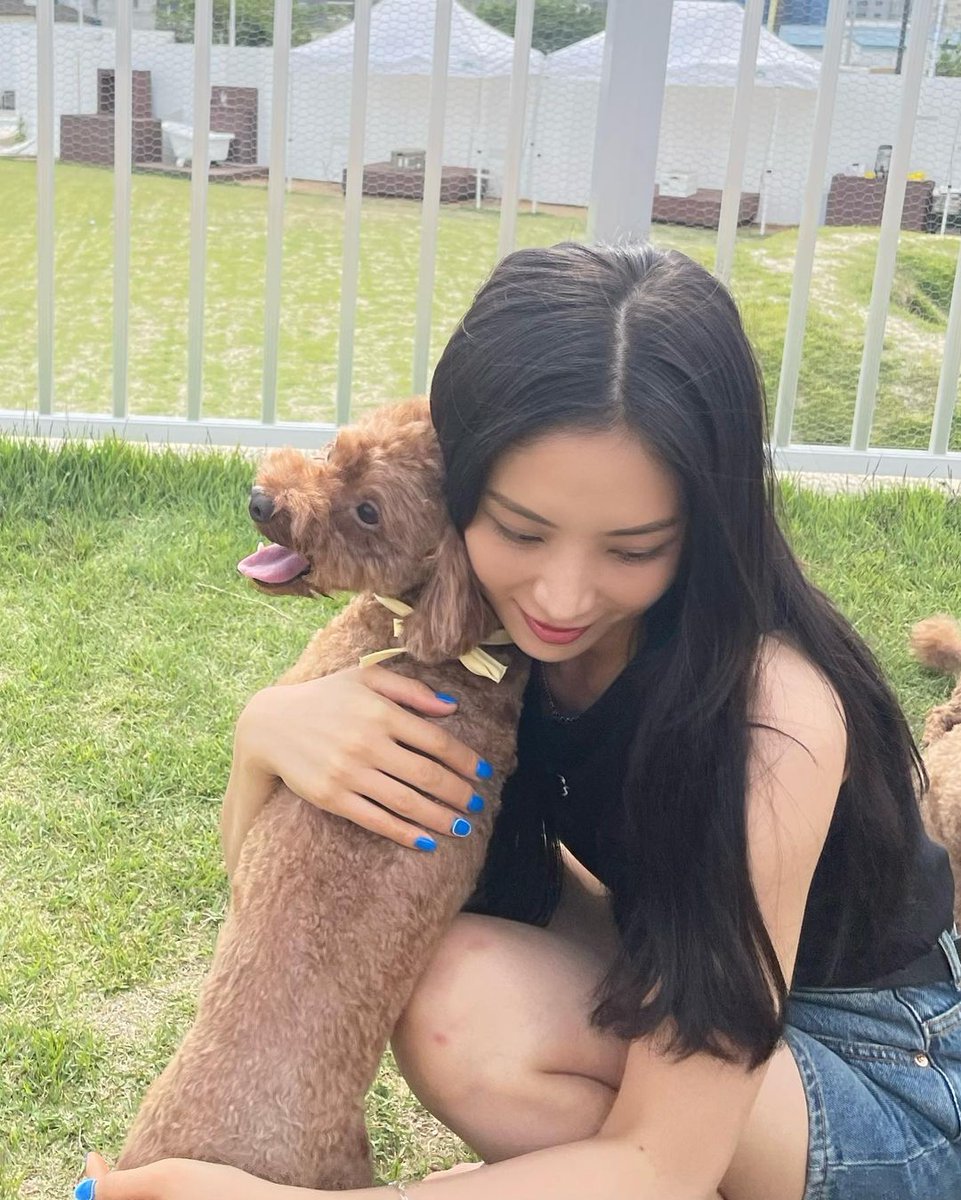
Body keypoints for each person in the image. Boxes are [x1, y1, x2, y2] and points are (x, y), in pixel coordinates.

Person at [81, 243, 961, 1200]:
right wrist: (266, 737)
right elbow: (279, 899)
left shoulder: (774, 716)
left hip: (891, 1065)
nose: (561, 595)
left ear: (704, 524)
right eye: (519, 529)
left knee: (503, 1048)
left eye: (632, 548)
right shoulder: (476, 649)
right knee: (455, 985)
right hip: (681, 969)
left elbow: (659, 1164)